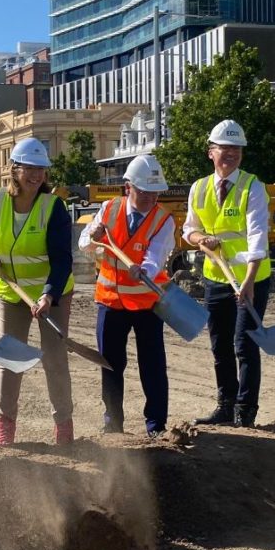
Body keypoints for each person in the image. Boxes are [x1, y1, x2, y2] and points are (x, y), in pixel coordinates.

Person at [0, 138, 75, 445]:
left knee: (55, 359)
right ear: (14, 169)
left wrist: (49, 295)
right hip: (11, 293)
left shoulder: (54, 207)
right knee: (11, 360)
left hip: (53, 293)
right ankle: (5, 428)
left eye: (41, 169)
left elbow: (62, 259)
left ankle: (63, 427)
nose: (36, 175)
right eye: (29, 168)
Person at [78, 155, 174, 439]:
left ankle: (156, 424)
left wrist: (143, 269)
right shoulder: (108, 209)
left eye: (155, 193)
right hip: (110, 301)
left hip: (147, 303)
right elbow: (85, 244)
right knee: (110, 364)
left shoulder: (163, 219)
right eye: (144, 191)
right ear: (128, 187)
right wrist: (93, 237)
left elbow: (157, 255)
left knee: (152, 364)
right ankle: (113, 422)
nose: (150, 198)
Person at [184, 119, 271, 429]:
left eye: (236, 149)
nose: (231, 154)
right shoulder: (200, 188)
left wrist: (248, 280)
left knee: (245, 344)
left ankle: (245, 412)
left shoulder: (253, 187)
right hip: (216, 279)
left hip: (251, 280)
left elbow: (258, 235)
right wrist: (200, 240)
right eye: (225, 148)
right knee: (220, 345)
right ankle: (225, 405)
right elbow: (189, 229)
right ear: (212, 152)